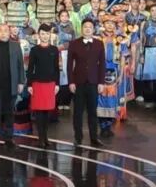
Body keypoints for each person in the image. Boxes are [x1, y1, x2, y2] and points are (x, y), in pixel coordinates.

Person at [67, 19, 105, 147]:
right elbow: (69, 65)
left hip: (93, 82)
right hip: (78, 82)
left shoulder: (99, 44)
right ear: (81, 29)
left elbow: (102, 64)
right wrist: (71, 82)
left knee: (92, 112)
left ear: (93, 29)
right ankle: (78, 137)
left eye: (90, 27)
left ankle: (94, 138)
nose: (87, 29)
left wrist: (101, 82)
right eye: (85, 27)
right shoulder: (74, 44)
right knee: (77, 112)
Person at [0, 23, 24, 147]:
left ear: (9, 32)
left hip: (11, 84)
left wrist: (21, 82)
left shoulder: (16, 46)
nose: (3, 33)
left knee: (10, 113)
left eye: (5, 31)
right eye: (1, 31)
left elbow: (20, 65)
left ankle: (9, 137)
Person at [26, 23, 60, 148]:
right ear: (38, 35)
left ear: (50, 35)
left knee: (47, 112)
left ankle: (45, 137)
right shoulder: (34, 50)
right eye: (42, 34)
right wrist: (29, 84)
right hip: (37, 84)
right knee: (39, 113)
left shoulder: (54, 50)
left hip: (50, 84)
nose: (45, 36)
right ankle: (40, 138)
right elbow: (30, 69)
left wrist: (57, 84)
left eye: (47, 34)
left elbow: (56, 68)